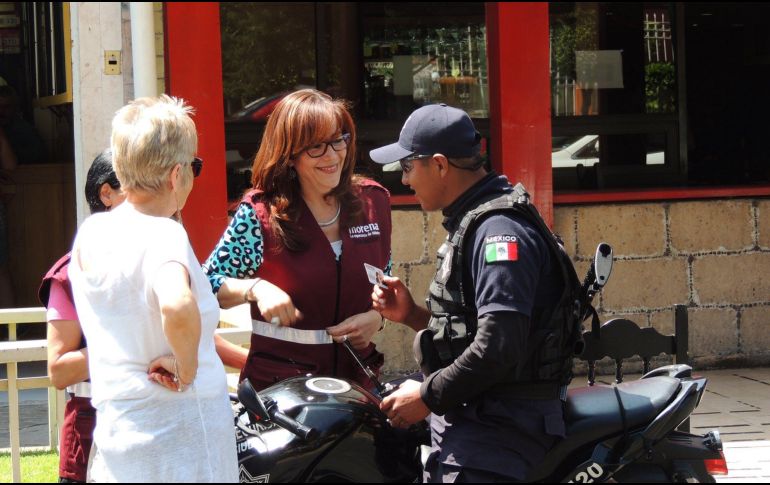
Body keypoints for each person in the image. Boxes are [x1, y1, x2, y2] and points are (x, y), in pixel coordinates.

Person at [370, 103, 578, 482]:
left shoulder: (499, 233)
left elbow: (500, 344)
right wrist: (414, 315)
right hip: (476, 413)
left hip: (500, 432)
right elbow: (474, 328)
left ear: (439, 165)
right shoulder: (475, 219)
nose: (404, 180)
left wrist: (427, 397)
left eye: (406, 167)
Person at [67, 95, 238, 482]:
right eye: (194, 165)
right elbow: (177, 306)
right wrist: (188, 366)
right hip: (180, 438)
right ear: (176, 175)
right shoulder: (165, 234)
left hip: (119, 436)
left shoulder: (92, 232)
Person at [204, 89, 392, 391]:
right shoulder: (260, 215)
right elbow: (207, 283)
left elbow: (384, 282)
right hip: (282, 391)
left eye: (337, 140)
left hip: (356, 386)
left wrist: (378, 317)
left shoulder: (374, 203)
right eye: (316, 147)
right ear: (290, 155)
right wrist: (256, 288)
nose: (332, 155)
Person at [41, 150, 125, 483]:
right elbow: (59, 370)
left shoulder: (163, 258)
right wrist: (132, 343)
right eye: (139, 184)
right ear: (107, 194)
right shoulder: (69, 274)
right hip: (92, 435)